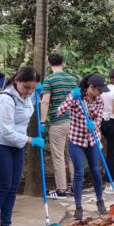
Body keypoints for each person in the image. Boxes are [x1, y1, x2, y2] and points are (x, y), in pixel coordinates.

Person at [0, 66, 44, 226]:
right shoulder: (5, 100)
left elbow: (32, 104)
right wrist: (31, 140)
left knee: (13, 186)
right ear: (17, 81)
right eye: (26, 87)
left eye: (33, 87)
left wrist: (36, 95)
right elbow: (6, 131)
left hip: (16, 145)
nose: (29, 91)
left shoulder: (29, 95)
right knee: (2, 186)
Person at [56, 73, 110, 220]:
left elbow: (99, 118)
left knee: (96, 172)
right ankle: (78, 206)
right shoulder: (77, 96)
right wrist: (72, 98)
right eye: (99, 90)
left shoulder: (99, 100)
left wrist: (95, 124)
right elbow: (59, 112)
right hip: (76, 141)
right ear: (91, 87)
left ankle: (100, 200)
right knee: (79, 173)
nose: (101, 93)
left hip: (92, 140)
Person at [40, 53, 77, 199]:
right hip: (73, 122)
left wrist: (42, 122)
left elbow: (45, 102)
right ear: (63, 62)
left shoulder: (49, 79)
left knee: (58, 156)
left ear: (49, 63)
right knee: (72, 155)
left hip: (57, 121)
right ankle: (76, 187)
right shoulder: (72, 79)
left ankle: (61, 190)